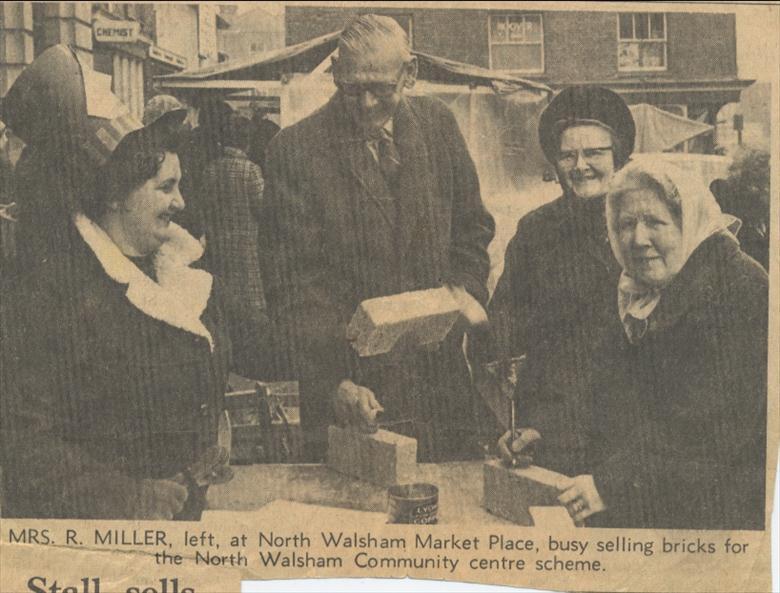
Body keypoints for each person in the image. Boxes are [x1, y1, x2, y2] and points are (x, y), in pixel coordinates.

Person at [1, 47, 232, 520]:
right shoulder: (49, 297)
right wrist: (127, 496)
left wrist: (212, 426)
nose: (181, 203)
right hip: (99, 543)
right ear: (117, 197)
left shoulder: (172, 268)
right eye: (165, 188)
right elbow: (23, 445)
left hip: (180, 523)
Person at [260, 14, 495, 461]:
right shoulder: (294, 151)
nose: (366, 103)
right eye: (351, 88)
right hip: (351, 397)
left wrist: (465, 291)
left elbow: (472, 228)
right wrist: (333, 382)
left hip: (440, 389)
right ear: (334, 74)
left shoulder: (438, 126)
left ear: (410, 75)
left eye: (380, 89)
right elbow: (290, 287)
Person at [531, 156, 767, 529]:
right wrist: (545, 435)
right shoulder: (639, 291)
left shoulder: (739, 291)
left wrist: (609, 486)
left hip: (718, 518)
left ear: (688, 222)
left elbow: (707, 435)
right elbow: (606, 397)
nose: (638, 240)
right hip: (655, 501)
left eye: (655, 222)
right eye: (626, 224)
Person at [484, 86, 635, 476]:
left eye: (595, 153)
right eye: (568, 155)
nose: (581, 165)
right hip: (549, 423)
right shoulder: (535, 230)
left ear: (618, 157)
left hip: (626, 418)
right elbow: (505, 313)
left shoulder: (639, 223)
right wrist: (502, 357)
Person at [200, 112, 269, 377]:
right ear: (246, 141)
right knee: (249, 306)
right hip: (246, 249)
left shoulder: (210, 170)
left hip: (218, 249)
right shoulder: (250, 171)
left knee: (226, 304)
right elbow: (264, 208)